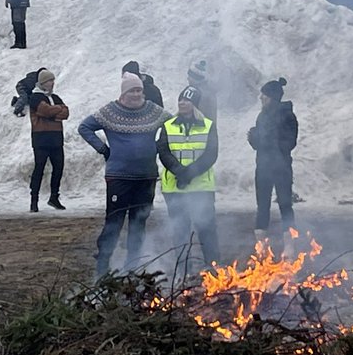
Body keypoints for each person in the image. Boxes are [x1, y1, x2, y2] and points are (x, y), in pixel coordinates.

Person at [79, 72, 171, 278]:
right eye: (132, 90)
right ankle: (103, 267)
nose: (137, 94)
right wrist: (102, 149)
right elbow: (84, 127)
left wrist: (160, 145)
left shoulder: (153, 111)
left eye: (139, 90)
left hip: (146, 177)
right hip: (119, 177)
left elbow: (172, 125)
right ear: (124, 94)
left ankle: (133, 267)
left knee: (139, 222)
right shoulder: (110, 111)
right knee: (115, 220)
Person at [157, 86, 220, 268]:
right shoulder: (168, 125)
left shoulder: (208, 126)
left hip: (201, 188)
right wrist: (180, 172)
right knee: (180, 232)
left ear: (195, 104)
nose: (182, 103)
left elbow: (211, 154)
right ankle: (184, 270)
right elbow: (163, 150)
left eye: (187, 100)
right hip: (175, 188)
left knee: (207, 230)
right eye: (181, 100)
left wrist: (190, 173)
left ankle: (213, 267)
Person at [246, 77, 298, 239]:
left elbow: (289, 143)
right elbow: (260, 144)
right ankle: (261, 250)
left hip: (281, 168)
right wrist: (254, 138)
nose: (261, 98)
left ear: (273, 98)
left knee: (285, 205)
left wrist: (262, 140)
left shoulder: (288, 116)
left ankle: (289, 249)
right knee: (262, 207)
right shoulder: (262, 116)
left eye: (264, 95)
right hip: (263, 167)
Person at [28, 68, 69, 212]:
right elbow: (45, 110)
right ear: (43, 82)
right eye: (50, 81)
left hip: (56, 138)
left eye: (53, 80)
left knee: (58, 167)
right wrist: (55, 112)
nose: (52, 83)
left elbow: (66, 112)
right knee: (39, 168)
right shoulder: (35, 97)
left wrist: (52, 113)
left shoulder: (55, 97)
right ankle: (34, 199)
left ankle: (54, 197)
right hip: (41, 138)